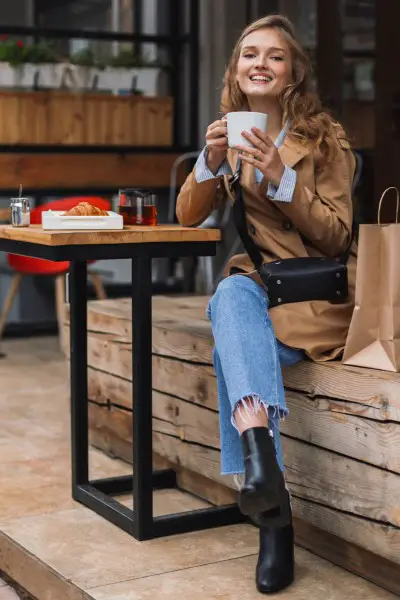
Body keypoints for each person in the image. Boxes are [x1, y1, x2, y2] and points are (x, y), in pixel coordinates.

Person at [176, 14, 357, 595]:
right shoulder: (231, 137)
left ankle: (268, 506)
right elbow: (186, 216)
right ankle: (269, 492)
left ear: (292, 74)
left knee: (234, 341)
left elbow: (336, 237)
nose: (259, 63)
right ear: (235, 71)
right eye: (248, 53)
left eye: (274, 56)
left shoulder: (326, 141)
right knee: (230, 292)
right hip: (258, 294)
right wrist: (208, 161)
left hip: (313, 299)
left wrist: (281, 176)